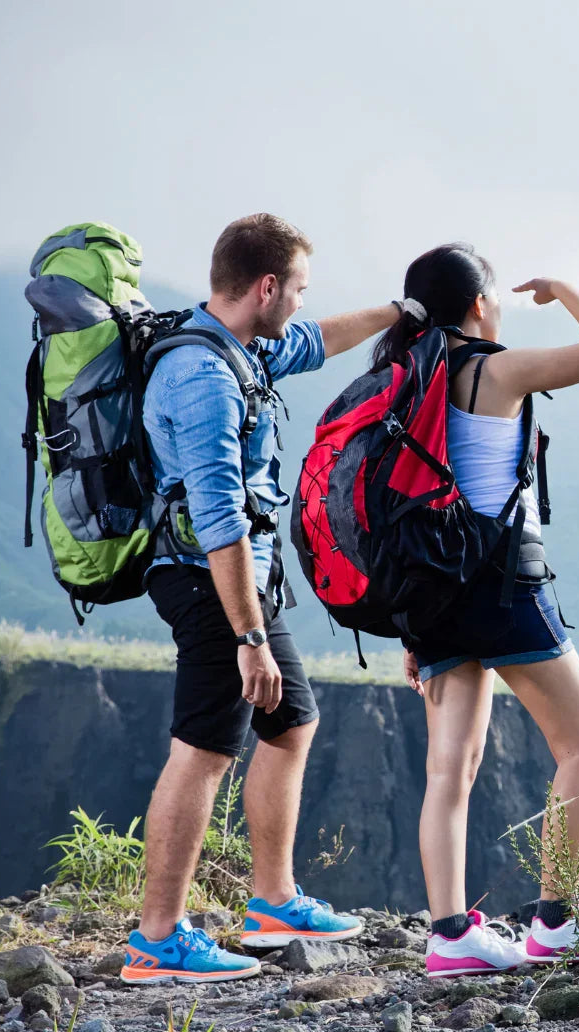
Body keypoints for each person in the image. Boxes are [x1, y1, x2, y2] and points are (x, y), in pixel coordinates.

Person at [121, 214, 402, 984]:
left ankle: (273, 901)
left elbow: (316, 342)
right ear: (267, 287)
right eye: (299, 289)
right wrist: (248, 636)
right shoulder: (204, 376)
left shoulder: (239, 347)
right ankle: (158, 940)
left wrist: (399, 315)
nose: (304, 305)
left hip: (239, 581)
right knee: (206, 749)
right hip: (210, 579)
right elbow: (218, 512)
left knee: (291, 721)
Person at [377, 243, 579, 977]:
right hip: (502, 590)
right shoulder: (496, 368)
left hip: (431, 595)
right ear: (479, 307)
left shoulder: (402, 380)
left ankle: (451, 937)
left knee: (446, 772)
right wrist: (564, 286)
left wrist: (409, 622)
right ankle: (556, 921)